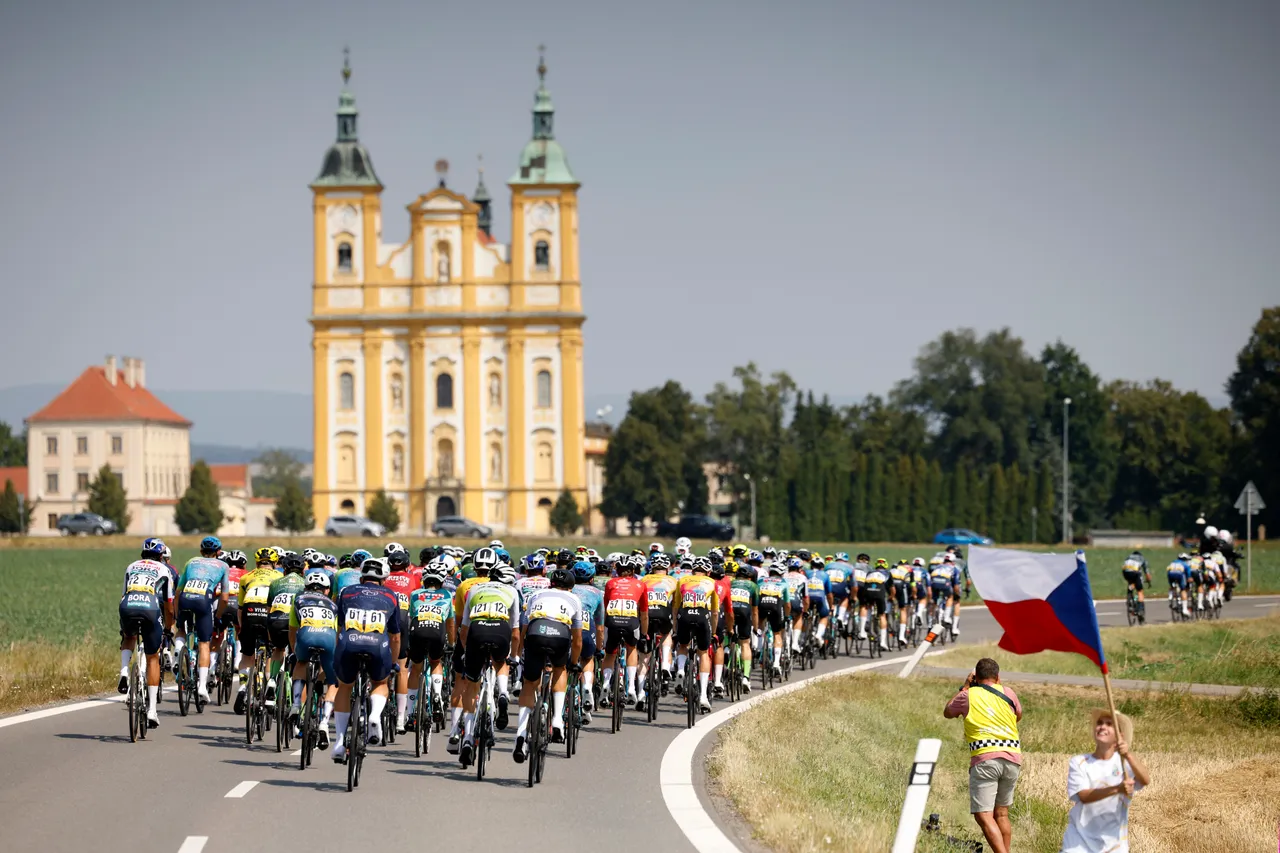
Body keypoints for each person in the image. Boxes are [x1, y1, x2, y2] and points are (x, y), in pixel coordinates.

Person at [943, 658, 1023, 853]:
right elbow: (1018, 715)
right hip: (1013, 757)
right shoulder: (1008, 693)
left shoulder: (968, 695)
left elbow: (948, 711)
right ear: (998, 677)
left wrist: (965, 686)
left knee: (983, 814)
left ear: (975, 677)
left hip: (986, 758)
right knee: (1001, 814)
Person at [331, 557, 402, 762]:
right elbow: (396, 637)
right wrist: (393, 663)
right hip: (377, 644)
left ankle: (339, 742)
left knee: (345, 686)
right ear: (383, 580)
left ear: (362, 577)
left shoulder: (346, 592)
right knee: (380, 683)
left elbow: (339, 627)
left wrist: (339, 651)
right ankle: (374, 715)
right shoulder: (391, 595)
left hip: (349, 642)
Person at [1060, 709, 1151, 853]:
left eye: (1109, 724)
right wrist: (1117, 789)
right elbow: (1083, 796)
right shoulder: (1079, 762)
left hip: (1114, 845)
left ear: (1119, 736)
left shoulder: (1124, 763)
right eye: (1100, 723)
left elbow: (1145, 780)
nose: (1102, 726)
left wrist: (1128, 754)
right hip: (1078, 842)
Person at [118, 538, 174, 728]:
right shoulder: (164, 569)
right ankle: (152, 711)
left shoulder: (131, 566)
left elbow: (123, 594)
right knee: (152, 658)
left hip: (128, 605)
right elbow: (169, 604)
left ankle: (124, 671)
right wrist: (168, 628)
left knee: (129, 636)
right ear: (161, 555)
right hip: (150, 608)